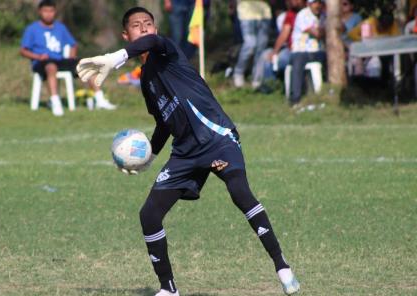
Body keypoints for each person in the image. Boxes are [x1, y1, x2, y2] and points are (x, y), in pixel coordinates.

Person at [76, 6, 300, 296]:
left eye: (148, 24)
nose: (143, 28)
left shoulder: (166, 50)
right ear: (126, 33)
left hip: (218, 137)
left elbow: (152, 43)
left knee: (240, 194)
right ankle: (168, 289)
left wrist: (116, 57)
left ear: (155, 29)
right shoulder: (146, 81)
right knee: (149, 215)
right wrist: (150, 157)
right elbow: (163, 123)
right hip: (185, 153)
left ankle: (281, 266)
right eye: (136, 25)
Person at [20, 0, 116, 116]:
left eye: (51, 11)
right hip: (41, 62)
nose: (48, 14)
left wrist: (72, 56)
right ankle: (55, 102)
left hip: (60, 60)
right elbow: (23, 51)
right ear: (40, 12)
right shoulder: (32, 29)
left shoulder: (60, 28)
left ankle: (100, 99)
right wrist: (38, 56)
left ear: (55, 12)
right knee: (51, 66)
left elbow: (73, 44)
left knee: (86, 64)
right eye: (45, 11)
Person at [252, 0, 306, 94]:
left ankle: (269, 87)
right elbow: (284, 34)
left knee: (273, 60)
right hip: (292, 49)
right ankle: (266, 84)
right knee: (267, 56)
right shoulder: (291, 14)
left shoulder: (307, 12)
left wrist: (275, 52)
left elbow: (284, 34)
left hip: (297, 51)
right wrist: (274, 52)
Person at [288, 0, 326, 106]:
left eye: (320, 3)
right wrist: (326, 30)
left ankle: (327, 93)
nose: (318, 5)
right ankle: (295, 99)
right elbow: (316, 33)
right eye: (315, 3)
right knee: (298, 60)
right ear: (309, 4)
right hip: (301, 51)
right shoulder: (303, 15)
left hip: (318, 52)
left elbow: (341, 27)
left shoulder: (325, 15)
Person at [231, 0, 272, 89]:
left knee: (261, 48)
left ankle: (257, 80)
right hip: (246, 13)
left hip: (264, 13)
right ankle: (238, 73)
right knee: (250, 44)